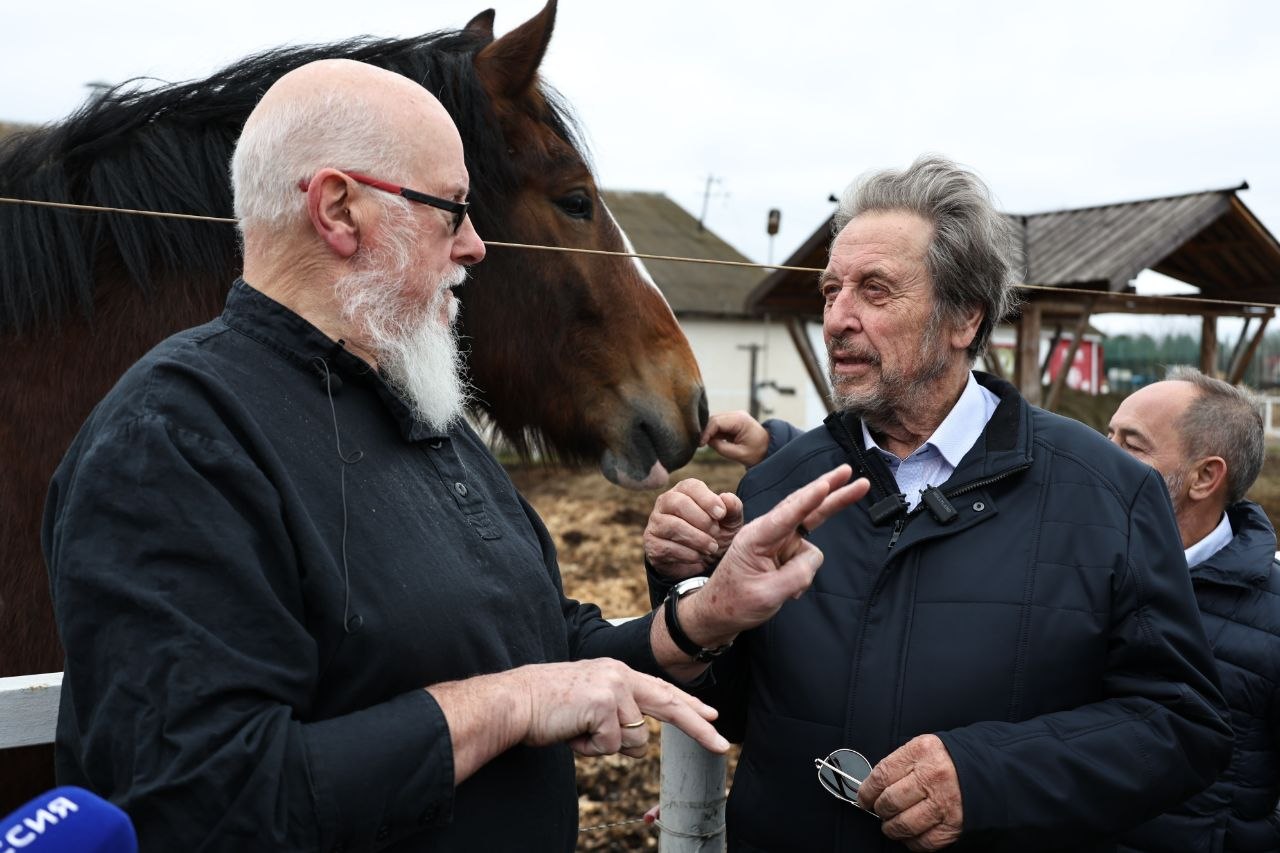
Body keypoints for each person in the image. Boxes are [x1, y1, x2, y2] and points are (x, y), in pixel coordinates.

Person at [42, 59, 870, 852]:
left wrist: (703, 615)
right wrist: (509, 705)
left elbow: (538, 643)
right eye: (451, 209)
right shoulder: (173, 442)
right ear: (338, 209)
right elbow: (199, 801)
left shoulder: (423, 410)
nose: (476, 245)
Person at [642, 155, 1233, 852]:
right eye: (831, 291)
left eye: (875, 290)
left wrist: (990, 777)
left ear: (964, 318)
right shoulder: (778, 485)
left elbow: (1182, 726)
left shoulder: (1107, 494)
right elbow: (736, 710)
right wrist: (686, 587)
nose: (837, 320)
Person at [1106, 368, 1280, 853]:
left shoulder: (1274, 616)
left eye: (1133, 445)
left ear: (1205, 477)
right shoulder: (1068, 569)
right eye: (1108, 435)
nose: (1103, 457)